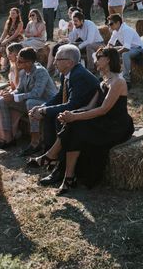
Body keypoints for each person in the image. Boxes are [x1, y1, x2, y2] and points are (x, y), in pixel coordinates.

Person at [34, 47, 134, 194]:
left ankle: (52, 158)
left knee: (75, 125)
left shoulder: (118, 82)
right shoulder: (103, 80)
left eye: (98, 57)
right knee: (72, 125)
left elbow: (103, 110)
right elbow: (90, 106)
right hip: (102, 121)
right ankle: (67, 176)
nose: (95, 60)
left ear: (107, 60)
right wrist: (70, 114)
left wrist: (75, 117)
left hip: (116, 125)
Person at [28, 44, 100, 181]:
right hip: (78, 109)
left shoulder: (78, 75)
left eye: (57, 59)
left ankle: (58, 166)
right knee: (50, 115)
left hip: (90, 113)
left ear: (69, 62)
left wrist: (44, 110)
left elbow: (72, 104)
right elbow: (59, 96)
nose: (54, 61)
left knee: (59, 118)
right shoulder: (67, 73)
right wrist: (42, 108)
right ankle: (51, 158)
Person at [1, 47, 58, 156]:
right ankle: (8, 137)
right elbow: (20, 89)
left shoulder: (40, 71)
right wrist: (10, 95)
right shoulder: (23, 72)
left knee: (30, 103)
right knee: (3, 101)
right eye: (17, 59)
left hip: (48, 102)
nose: (17, 63)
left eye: (20, 61)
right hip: (33, 101)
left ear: (30, 62)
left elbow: (37, 93)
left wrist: (15, 97)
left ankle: (35, 142)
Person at [107, 14, 143, 87]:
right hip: (131, 48)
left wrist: (114, 53)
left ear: (118, 23)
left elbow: (126, 48)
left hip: (140, 49)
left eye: (111, 24)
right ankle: (111, 75)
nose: (109, 26)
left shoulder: (126, 30)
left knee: (125, 54)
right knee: (110, 51)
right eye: (109, 24)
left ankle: (127, 80)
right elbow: (110, 43)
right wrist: (107, 50)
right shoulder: (115, 31)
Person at [0, 7, 24, 73]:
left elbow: (15, 34)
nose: (12, 14)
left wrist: (6, 41)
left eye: (13, 13)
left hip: (17, 39)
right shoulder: (8, 22)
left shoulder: (20, 23)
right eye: (11, 13)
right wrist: (1, 40)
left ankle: (5, 65)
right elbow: (5, 32)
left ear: (17, 14)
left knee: (8, 46)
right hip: (9, 38)